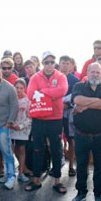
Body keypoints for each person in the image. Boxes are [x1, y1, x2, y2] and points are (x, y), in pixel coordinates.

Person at [69, 63, 101, 201]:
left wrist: (86, 104)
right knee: (81, 165)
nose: (95, 74)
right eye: (92, 72)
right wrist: (98, 101)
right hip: (81, 135)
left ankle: (98, 195)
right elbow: (77, 100)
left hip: (100, 135)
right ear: (87, 73)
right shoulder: (79, 86)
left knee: (100, 167)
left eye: (98, 72)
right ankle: (81, 193)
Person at [25, 52, 69, 193]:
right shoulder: (35, 77)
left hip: (55, 119)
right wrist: (51, 93)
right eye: (46, 62)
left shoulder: (61, 76)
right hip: (39, 119)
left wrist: (42, 91)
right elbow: (30, 94)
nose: (49, 65)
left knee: (56, 150)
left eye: (52, 62)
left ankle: (57, 181)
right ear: (42, 63)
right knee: (37, 149)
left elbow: (62, 91)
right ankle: (36, 180)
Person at [9, 79, 32, 184]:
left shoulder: (27, 101)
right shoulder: (10, 99)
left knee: (21, 150)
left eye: (21, 88)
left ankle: (21, 172)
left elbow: (30, 117)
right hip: (11, 128)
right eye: (17, 87)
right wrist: (11, 124)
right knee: (11, 150)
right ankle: (9, 173)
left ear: (24, 89)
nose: (18, 90)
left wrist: (21, 126)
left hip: (22, 130)